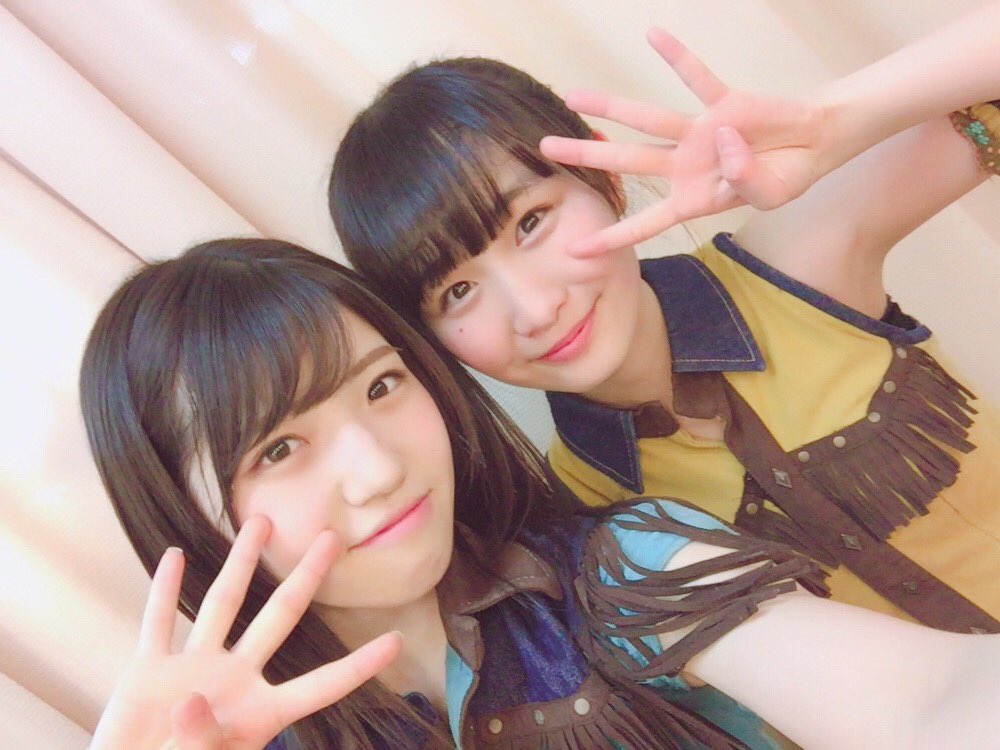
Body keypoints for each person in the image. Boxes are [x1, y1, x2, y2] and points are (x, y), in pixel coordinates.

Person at [83, 239, 1000, 750]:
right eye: (280, 448)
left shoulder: (615, 570)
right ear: (183, 511)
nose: (379, 470)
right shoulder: (231, 740)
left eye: (382, 386)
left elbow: (929, 703)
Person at [328, 4, 1000, 634]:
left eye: (531, 222)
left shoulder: (789, 271)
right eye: (457, 291)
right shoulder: (581, 515)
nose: (533, 309)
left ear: (604, 174)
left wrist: (827, 123)